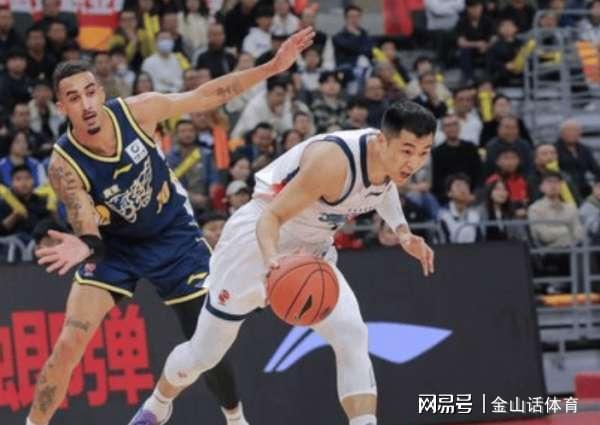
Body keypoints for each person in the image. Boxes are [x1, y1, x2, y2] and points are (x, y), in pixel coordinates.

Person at [29, 27, 315, 425]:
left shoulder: (138, 111)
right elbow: (86, 222)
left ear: (102, 91)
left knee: (206, 343)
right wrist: (86, 244)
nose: (87, 103)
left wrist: (271, 67)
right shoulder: (64, 165)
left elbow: (207, 95)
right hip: (113, 246)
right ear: (61, 107)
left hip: (172, 235)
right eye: (74, 98)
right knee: (69, 342)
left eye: (91, 91)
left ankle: (235, 419)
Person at [131, 100, 436, 425]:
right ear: (382, 140)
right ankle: (157, 405)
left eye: (424, 152)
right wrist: (272, 261)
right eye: (407, 151)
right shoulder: (333, 161)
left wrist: (403, 232)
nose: (414, 162)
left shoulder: (388, 162)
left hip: (312, 250)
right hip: (258, 240)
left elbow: (381, 189)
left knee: (351, 333)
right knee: (204, 354)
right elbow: (271, 218)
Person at [431, 114, 482, 202]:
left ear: (459, 126)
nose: (452, 128)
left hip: (471, 195)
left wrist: (473, 194)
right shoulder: (436, 153)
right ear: (442, 129)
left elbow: (479, 175)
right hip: (447, 198)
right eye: (448, 125)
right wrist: (453, 195)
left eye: (454, 124)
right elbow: (436, 181)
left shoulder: (471, 148)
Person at [555, 119, 600, 198]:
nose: (573, 133)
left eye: (576, 131)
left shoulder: (585, 149)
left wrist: (597, 185)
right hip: (562, 189)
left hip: (583, 188)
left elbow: (596, 169)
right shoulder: (554, 149)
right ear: (562, 133)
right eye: (569, 130)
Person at [438, 173, 481, 243]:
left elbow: (480, 242)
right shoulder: (443, 216)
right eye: (458, 186)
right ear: (449, 193)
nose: (463, 189)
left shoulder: (475, 215)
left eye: (466, 185)